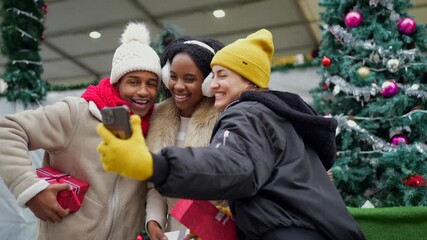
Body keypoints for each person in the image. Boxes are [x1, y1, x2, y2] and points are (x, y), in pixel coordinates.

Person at [96, 29, 366, 239]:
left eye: (222, 75)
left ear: (248, 79)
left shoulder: (246, 113)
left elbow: (233, 165)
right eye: (212, 76)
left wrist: (155, 164)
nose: (213, 85)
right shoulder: (272, 114)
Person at [0, 21, 161, 240]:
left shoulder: (152, 129)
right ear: (117, 83)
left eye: (151, 84)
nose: (144, 92)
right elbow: (8, 131)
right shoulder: (77, 113)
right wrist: (31, 191)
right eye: (134, 82)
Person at [145, 36, 225, 240]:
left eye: (189, 79)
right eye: (173, 76)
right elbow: (155, 184)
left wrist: (205, 226)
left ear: (209, 82)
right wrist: (153, 221)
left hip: (216, 230)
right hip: (174, 231)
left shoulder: (224, 119)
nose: (178, 86)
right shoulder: (157, 116)